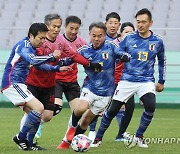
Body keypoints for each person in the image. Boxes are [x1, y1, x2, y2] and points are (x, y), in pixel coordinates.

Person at [91, 8, 166, 148]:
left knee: (150, 106)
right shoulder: (128, 37)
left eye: (144, 22)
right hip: (127, 80)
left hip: (146, 80)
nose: (140, 25)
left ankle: (139, 136)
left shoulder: (158, 41)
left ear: (151, 22)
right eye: (138, 22)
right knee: (112, 110)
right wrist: (120, 55)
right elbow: (116, 49)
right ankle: (98, 138)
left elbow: (162, 61)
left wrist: (161, 80)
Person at [57, 22, 130, 150]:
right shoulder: (84, 50)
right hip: (89, 87)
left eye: (100, 36)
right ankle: (71, 129)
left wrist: (125, 57)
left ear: (104, 35)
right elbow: (71, 58)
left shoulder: (111, 46)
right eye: (94, 35)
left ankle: (70, 142)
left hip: (106, 93)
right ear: (89, 34)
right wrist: (61, 62)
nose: (96, 39)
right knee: (80, 108)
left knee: (86, 120)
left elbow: (122, 53)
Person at [1, 23, 61, 151]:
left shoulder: (32, 48)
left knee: (37, 114)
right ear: (31, 36)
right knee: (39, 107)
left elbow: (38, 65)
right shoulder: (24, 45)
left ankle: (29, 143)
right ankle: (20, 138)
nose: (43, 41)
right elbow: (33, 60)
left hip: (19, 84)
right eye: (41, 38)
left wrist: (57, 68)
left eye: (45, 38)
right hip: (12, 83)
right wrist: (51, 56)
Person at [55, 16, 88, 149]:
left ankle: (66, 141)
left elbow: (87, 57)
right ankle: (37, 123)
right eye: (71, 28)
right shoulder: (58, 40)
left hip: (72, 81)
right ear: (65, 27)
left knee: (78, 113)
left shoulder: (82, 42)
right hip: (56, 79)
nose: (74, 31)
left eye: (76, 29)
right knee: (55, 109)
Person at [88, 11, 121, 141]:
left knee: (122, 106)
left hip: (118, 78)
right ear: (105, 24)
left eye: (115, 23)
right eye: (110, 23)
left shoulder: (120, 41)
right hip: (97, 81)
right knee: (94, 108)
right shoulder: (99, 39)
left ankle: (120, 135)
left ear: (119, 25)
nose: (113, 25)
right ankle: (92, 131)